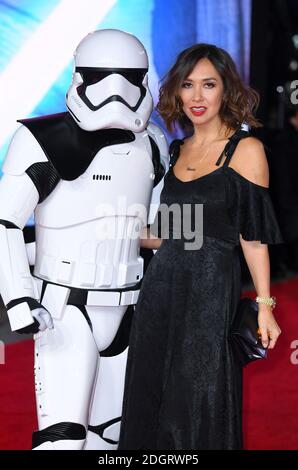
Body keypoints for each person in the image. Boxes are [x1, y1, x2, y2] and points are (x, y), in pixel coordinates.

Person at [0, 29, 168, 450]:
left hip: (129, 303)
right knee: (63, 439)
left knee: (110, 435)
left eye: (129, 76)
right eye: (101, 75)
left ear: (146, 80)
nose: (116, 90)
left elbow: (154, 229)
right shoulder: (42, 140)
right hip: (65, 306)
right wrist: (19, 297)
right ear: (79, 78)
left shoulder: (153, 144)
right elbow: (5, 222)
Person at [118, 43, 283, 450]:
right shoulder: (176, 151)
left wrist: (265, 306)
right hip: (160, 289)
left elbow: (252, 237)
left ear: (226, 89)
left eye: (208, 85)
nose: (196, 96)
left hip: (211, 292)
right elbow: (170, 232)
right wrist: (116, 226)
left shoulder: (246, 150)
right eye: (188, 85)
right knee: (152, 389)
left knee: (199, 394)